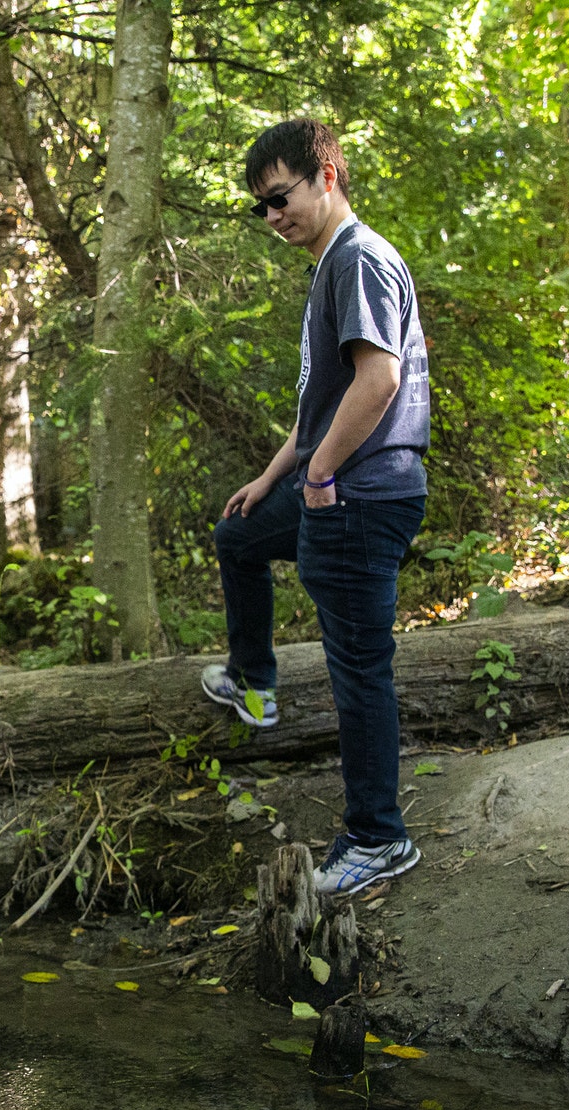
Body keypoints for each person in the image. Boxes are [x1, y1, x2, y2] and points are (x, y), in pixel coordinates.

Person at [202, 119, 432, 897]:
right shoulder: (333, 262)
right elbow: (321, 407)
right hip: (334, 485)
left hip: (361, 495)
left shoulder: (359, 258)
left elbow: (378, 383)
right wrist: (276, 478)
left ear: (325, 175)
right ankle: (254, 683)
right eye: (258, 208)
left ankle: (377, 836)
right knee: (237, 534)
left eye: (278, 197)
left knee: (360, 668)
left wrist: (322, 476)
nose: (271, 217)